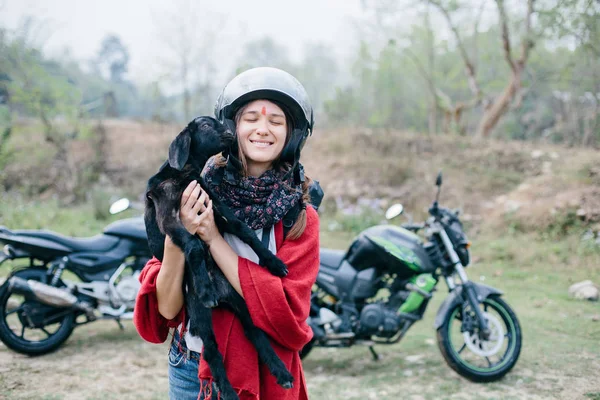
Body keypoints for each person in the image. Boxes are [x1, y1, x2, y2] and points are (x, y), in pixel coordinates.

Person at [133, 67, 320, 400]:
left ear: (292, 134)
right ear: (232, 128)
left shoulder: (299, 216)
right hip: (193, 368)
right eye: (251, 119)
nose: (262, 129)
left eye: (275, 122)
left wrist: (214, 239)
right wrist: (181, 234)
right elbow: (166, 309)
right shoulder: (192, 192)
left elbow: (287, 315)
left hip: (265, 371)